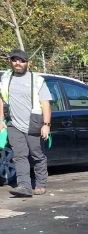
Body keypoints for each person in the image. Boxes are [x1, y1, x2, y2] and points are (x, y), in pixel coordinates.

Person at [0, 49, 52, 197]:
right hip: (13, 124)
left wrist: (46, 125)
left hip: (34, 123)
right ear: (11, 61)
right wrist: (1, 120)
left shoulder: (36, 80)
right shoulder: (6, 78)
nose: (18, 63)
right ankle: (24, 186)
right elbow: (2, 100)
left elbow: (46, 104)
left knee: (37, 155)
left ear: (27, 63)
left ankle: (41, 183)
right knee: (19, 155)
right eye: (15, 60)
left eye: (22, 60)